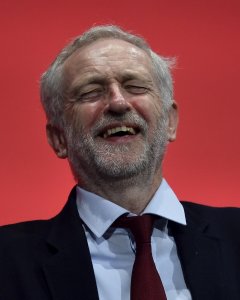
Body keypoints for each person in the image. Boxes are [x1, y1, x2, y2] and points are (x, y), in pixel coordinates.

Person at [0, 25, 240, 300]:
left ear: (170, 122)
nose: (117, 102)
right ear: (58, 138)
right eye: (91, 92)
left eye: (135, 86)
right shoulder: (7, 262)